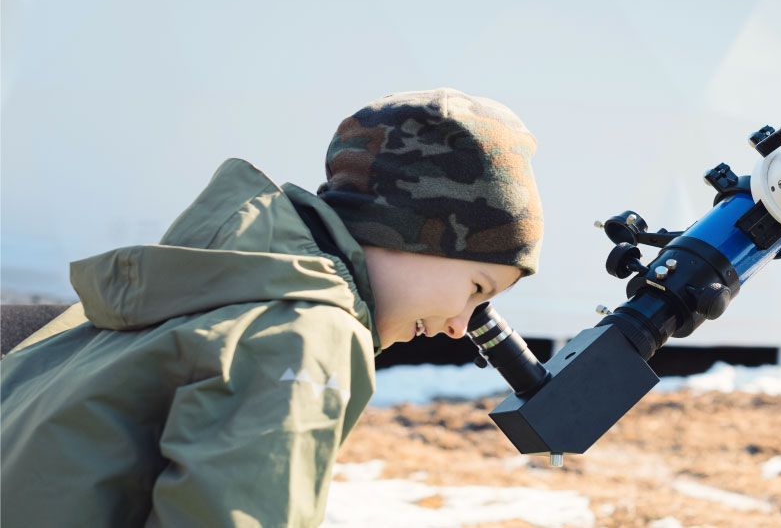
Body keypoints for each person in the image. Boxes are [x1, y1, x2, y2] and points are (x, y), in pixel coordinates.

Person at [0, 88, 543, 526]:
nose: (459, 327)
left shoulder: (203, 293)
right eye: (476, 289)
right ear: (414, 234)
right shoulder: (307, 330)